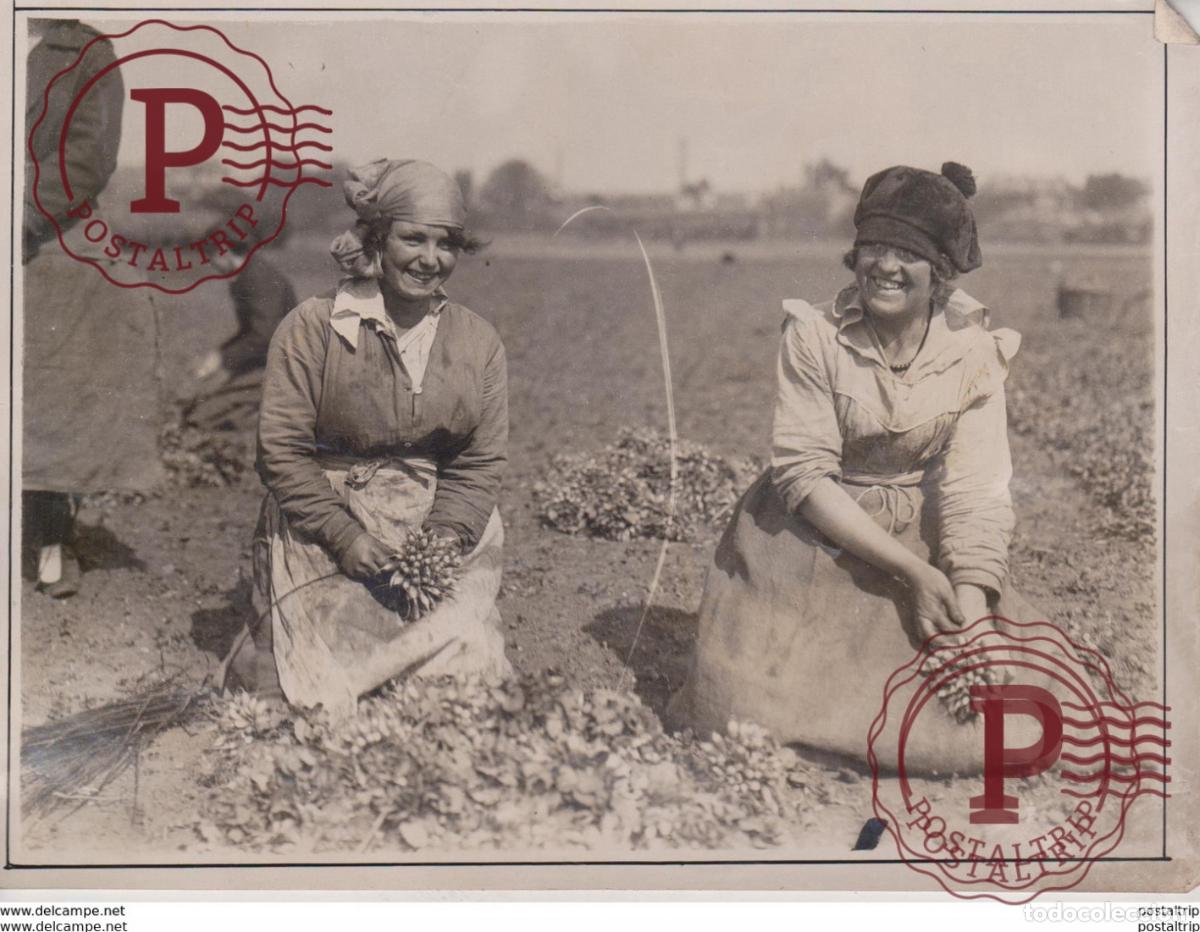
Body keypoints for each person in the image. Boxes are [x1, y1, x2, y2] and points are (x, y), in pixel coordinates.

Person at [667, 162, 1043, 772]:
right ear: (855, 252)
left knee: (1003, 718)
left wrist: (971, 606)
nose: (886, 266)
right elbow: (805, 475)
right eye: (874, 247)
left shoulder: (975, 352)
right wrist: (913, 578)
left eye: (908, 252)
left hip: (917, 532)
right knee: (742, 712)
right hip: (812, 530)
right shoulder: (813, 334)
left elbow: (976, 490)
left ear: (940, 271)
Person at [223, 158, 510, 715]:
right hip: (325, 517)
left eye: (447, 244)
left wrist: (443, 539)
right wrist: (344, 535)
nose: (430, 259)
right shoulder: (312, 328)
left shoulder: (478, 342)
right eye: (413, 239)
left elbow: (478, 462)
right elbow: (281, 450)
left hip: (433, 525)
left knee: (464, 685)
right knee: (306, 691)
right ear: (377, 240)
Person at [23, 18, 163, 597]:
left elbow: (85, 160)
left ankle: (49, 539)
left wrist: (22, 218)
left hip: (42, 233)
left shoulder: (82, 50)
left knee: (52, 383)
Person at [186, 242, 298, 432]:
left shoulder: (259, 278)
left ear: (224, 251)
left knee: (202, 415)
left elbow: (264, 334)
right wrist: (219, 354)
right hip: (270, 359)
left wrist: (223, 359)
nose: (211, 264)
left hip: (286, 364)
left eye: (210, 257)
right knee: (206, 406)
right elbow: (251, 332)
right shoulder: (247, 275)